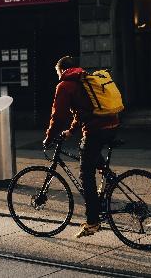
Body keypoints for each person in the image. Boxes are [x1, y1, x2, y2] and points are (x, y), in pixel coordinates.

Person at [43, 56, 120, 238]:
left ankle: (92, 222)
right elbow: (83, 111)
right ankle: (109, 178)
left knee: (86, 173)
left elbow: (58, 116)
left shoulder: (64, 86)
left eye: (57, 73)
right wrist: (71, 131)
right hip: (113, 125)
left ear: (61, 70)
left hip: (96, 130)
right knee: (88, 151)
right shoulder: (84, 80)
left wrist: (49, 137)